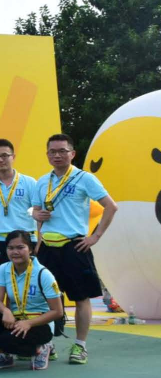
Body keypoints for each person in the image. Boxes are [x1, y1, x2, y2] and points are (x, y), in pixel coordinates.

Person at [31, 133, 117, 364]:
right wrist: (36, 217)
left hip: (74, 246)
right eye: (52, 151)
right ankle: (47, 343)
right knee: (45, 299)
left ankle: (80, 346)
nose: (57, 155)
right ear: (47, 154)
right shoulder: (42, 182)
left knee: (81, 298)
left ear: (72, 153)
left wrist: (95, 237)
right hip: (47, 248)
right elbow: (35, 211)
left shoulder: (84, 178)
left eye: (62, 151)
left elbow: (111, 206)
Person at [0, 230, 64, 371]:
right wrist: (6, 311)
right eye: (11, 248)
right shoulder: (3, 269)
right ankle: (6, 355)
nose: (15, 252)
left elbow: (58, 311)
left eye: (20, 247)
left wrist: (29, 323)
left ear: (30, 249)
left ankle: (42, 348)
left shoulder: (43, 274)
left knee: (6, 340)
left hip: (39, 324)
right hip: (15, 320)